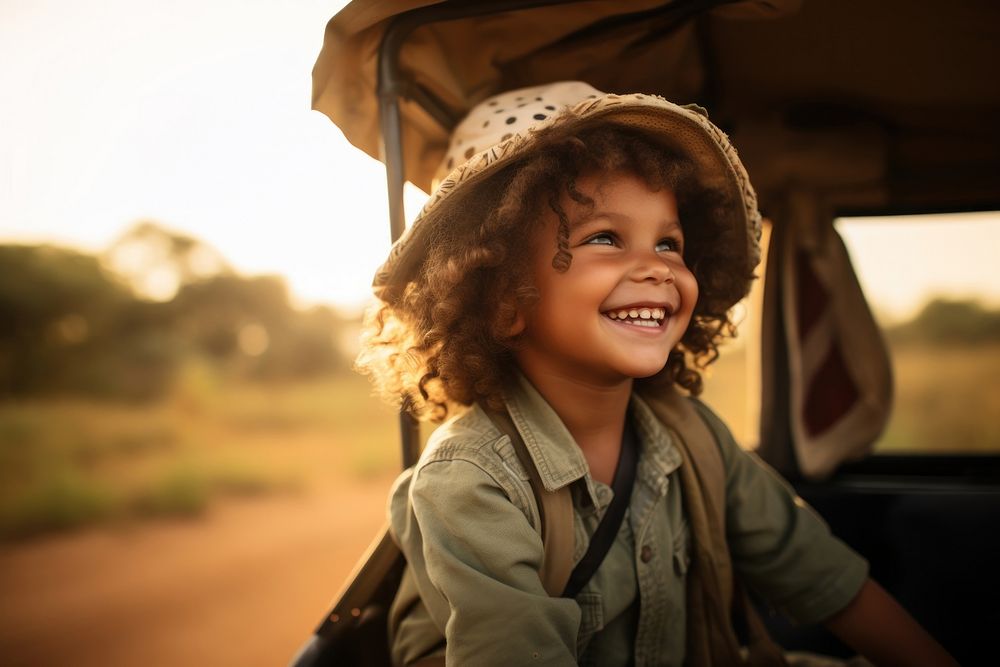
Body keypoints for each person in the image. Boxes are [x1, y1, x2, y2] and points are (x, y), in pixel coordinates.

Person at [356, 82, 956, 667]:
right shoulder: (472, 481)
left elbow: (825, 579)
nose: (656, 269)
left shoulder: (693, 436)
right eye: (606, 238)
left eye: (669, 244)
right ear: (502, 299)